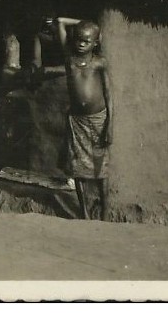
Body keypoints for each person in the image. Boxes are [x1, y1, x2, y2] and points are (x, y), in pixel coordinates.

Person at [51, 16, 114, 220]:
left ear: (96, 43)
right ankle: (85, 213)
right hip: (77, 120)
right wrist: (82, 24)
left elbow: (109, 94)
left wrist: (110, 125)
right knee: (78, 167)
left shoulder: (99, 63)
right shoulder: (69, 59)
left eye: (86, 41)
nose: (80, 43)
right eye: (78, 39)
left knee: (100, 167)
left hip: (98, 119)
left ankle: (104, 211)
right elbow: (59, 22)